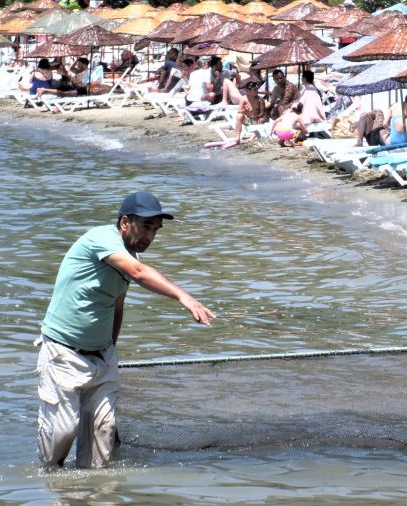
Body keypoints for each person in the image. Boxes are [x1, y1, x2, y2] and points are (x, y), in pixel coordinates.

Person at [37, 191, 215, 469]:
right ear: (124, 223)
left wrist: (110, 353)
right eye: (146, 227)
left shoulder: (128, 255)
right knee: (62, 433)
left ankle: (95, 501)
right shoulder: (102, 240)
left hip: (102, 356)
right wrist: (185, 297)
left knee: (103, 435)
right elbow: (138, 273)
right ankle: (53, 493)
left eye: (155, 230)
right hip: (63, 351)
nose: (150, 237)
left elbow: (115, 306)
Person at [233, 80, 266, 145]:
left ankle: (252, 137)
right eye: (254, 89)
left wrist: (257, 116)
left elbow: (262, 112)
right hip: (247, 119)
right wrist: (245, 110)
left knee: (262, 119)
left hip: (257, 120)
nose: (257, 91)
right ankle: (237, 138)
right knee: (239, 116)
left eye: (257, 89)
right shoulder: (243, 99)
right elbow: (239, 111)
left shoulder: (260, 99)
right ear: (248, 91)